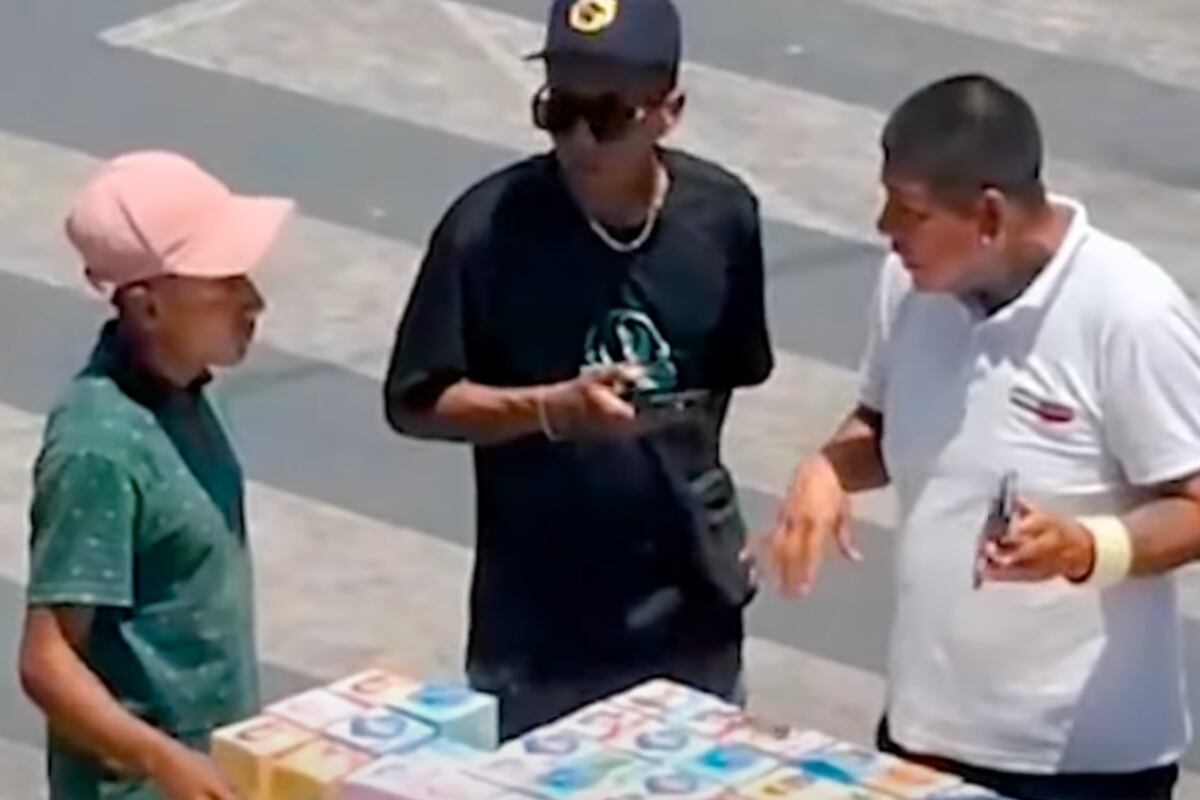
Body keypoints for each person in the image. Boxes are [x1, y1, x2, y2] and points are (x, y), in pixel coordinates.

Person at [766, 73, 1200, 800]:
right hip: (921, 735)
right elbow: (880, 420)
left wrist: (1088, 549)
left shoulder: (1130, 313)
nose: (884, 229)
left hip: (1081, 766)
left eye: (909, 211)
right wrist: (827, 469)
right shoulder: (909, 284)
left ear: (989, 216)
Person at [384, 0, 772, 738]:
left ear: (669, 111)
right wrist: (550, 411)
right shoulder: (487, 230)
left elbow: (726, 378)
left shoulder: (723, 219)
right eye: (559, 109)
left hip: (691, 619)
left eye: (608, 114)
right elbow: (416, 400)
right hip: (540, 634)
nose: (580, 138)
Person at [18, 151, 293, 799]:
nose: (252, 300)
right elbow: (47, 662)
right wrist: (165, 761)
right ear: (146, 308)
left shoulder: (193, 392)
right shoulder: (101, 450)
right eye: (223, 281)